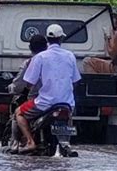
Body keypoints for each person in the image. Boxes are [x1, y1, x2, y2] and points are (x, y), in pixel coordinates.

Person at [15, 24, 81, 153]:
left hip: (44, 103)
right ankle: (65, 144)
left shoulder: (40, 57)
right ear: (61, 39)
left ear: (47, 39)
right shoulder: (70, 56)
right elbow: (76, 81)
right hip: (67, 103)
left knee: (19, 113)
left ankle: (30, 142)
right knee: (68, 117)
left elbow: (29, 82)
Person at [8, 35, 48, 152]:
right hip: (62, 100)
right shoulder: (55, 60)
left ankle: (17, 144)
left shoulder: (30, 62)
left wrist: (12, 88)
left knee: (18, 113)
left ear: (30, 47)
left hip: (38, 100)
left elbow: (20, 83)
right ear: (46, 46)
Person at [83, 7, 117, 75]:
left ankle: (96, 85)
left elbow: (112, 55)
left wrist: (107, 39)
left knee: (87, 61)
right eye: (115, 18)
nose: (116, 20)